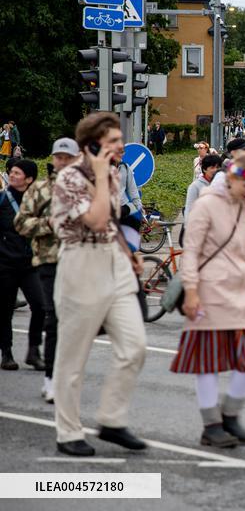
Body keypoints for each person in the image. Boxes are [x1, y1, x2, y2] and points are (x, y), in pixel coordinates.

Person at [50, 112, 147, 457]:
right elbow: (94, 219)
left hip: (114, 260)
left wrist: (129, 253)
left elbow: (112, 224)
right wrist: (103, 177)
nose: (122, 146)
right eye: (115, 141)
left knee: (135, 345)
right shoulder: (69, 178)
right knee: (73, 358)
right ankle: (68, 431)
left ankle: (112, 419)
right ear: (92, 144)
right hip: (81, 262)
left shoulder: (114, 174)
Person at [171, 152, 245, 448]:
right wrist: (191, 292)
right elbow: (191, 251)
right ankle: (211, 425)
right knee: (208, 361)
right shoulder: (205, 205)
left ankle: (230, 414)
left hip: (243, 291)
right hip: (210, 292)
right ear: (231, 177)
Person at [14, 139, 79, 402]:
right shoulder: (40, 190)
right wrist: (48, 224)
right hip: (49, 260)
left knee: (76, 321)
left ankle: (69, 374)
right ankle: (51, 378)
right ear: (53, 159)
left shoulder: (84, 189)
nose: (63, 162)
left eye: (68, 157)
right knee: (54, 317)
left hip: (79, 261)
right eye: (59, 157)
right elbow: (21, 223)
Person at [0, 159, 46, 372]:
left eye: (18, 173)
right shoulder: (2, 200)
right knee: (5, 310)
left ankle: (33, 350)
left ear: (29, 179)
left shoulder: (36, 202)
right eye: (12, 172)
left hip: (30, 265)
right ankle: (7, 354)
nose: (12, 175)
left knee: (40, 305)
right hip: (5, 264)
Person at [183, 154, 222, 229]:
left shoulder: (222, 184)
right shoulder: (195, 186)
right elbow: (189, 209)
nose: (215, 170)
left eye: (218, 167)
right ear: (204, 169)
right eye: (212, 167)